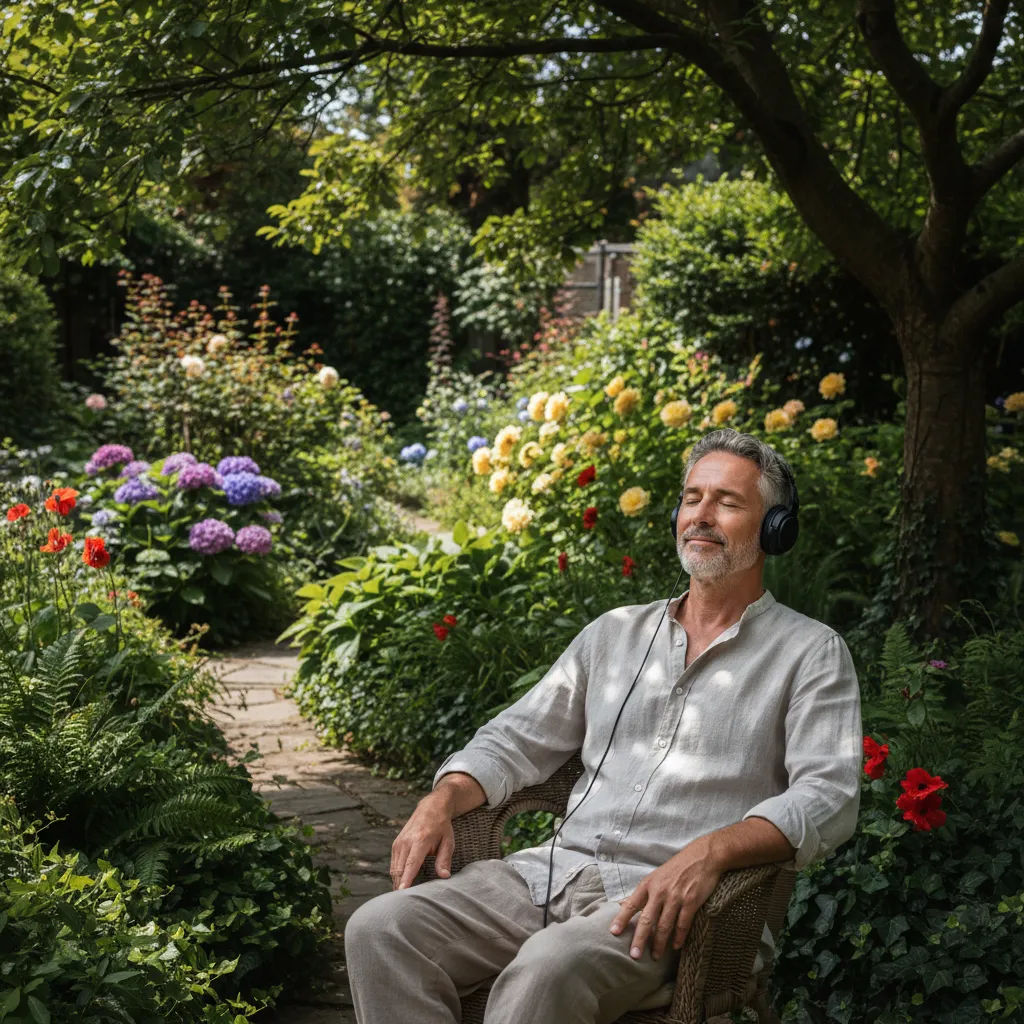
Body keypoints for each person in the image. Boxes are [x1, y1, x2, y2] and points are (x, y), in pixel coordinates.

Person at [345, 428, 863, 1024]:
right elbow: (515, 739)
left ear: (775, 528)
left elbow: (830, 795)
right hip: (550, 878)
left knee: (547, 968)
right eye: (692, 498)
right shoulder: (615, 634)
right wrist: (443, 799)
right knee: (380, 928)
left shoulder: (810, 652)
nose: (701, 516)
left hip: (671, 908)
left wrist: (713, 850)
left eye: (727, 501)